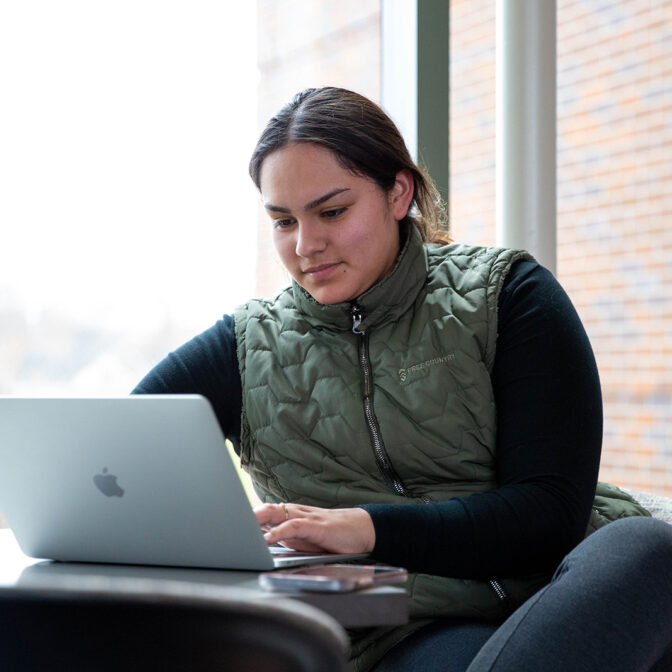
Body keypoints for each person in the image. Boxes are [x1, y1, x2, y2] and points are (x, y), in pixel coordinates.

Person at [133, 87, 672, 672]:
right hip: (395, 633)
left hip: (557, 601)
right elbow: (111, 461)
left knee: (645, 547)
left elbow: (548, 514)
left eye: (332, 212)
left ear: (398, 192)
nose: (306, 245)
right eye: (284, 221)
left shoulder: (508, 297)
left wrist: (364, 528)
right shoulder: (244, 348)